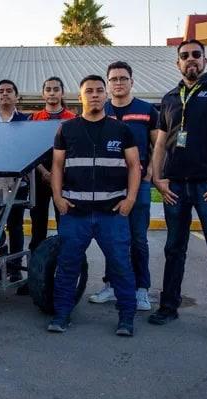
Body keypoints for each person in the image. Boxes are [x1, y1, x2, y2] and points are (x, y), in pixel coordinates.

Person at [149, 39, 207, 341]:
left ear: (205, 60)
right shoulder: (169, 98)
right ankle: (168, 307)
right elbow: (161, 141)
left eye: (196, 55)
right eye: (184, 56)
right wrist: (158, 177)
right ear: (177, 63)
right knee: (173, 249)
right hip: (175, 186)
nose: (190, 60)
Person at [49, 75, 140, 336]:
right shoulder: (66, 129)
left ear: (106, 95)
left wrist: (130, 199)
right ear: (80, 97)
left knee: (121, 266)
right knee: (68, 266)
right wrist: (58, 197)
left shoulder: (121, 130)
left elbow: (135, 166)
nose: (95, 95)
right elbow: (56, 166)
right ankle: (61, 315)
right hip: (75, 213)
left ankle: (126, 319)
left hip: (111, 214)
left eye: (100, 90)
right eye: (89, 91)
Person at [88, 61, 159, 311]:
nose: (118, 83)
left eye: (123, 78)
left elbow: (157, 146)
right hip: (107, 186)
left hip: (137, 185)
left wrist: (151, 173)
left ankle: (141, 290)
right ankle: (111, 286)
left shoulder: (147, 110)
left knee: (138, 238)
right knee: (112, 239)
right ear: (107, 84)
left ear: (132, 81)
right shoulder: (99, 110)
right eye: (114, 79)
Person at [0, 80, 30, 281]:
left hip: (18, 182)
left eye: (9, 91)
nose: (4, 94)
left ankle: (15, 268)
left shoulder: (26, 120)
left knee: (16, 226)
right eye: (0, 91)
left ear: (16, 96)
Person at [28, 76, 76, 252]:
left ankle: (64, 267)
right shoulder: (33, 119)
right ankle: (36, 270)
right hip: (40, 178)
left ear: (62, 92)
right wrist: (43, 172)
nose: (52, 93)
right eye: (48, 89)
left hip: (64, 180)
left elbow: (74, 150)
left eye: (56, 89)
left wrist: (58, 173)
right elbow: (30, 149)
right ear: (43, 94)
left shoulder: (72, 119)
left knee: (65, 224)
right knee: (38, 226)